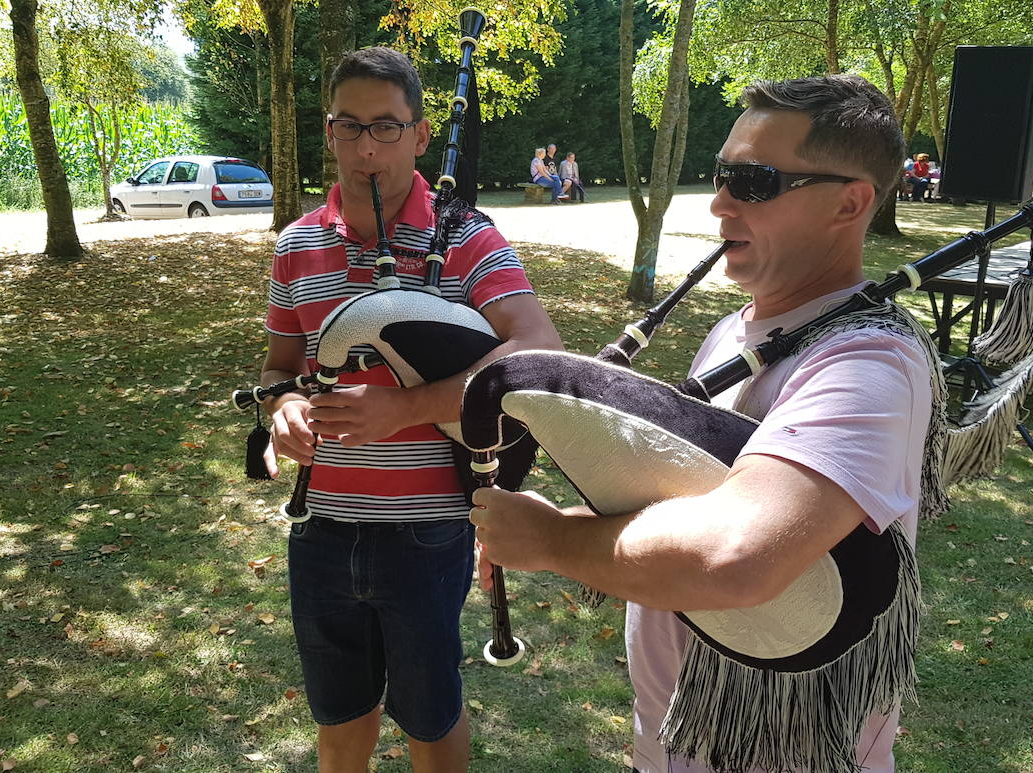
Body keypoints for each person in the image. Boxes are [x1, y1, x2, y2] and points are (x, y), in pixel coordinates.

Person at [470, 74, 946, 773]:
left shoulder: (870, 364)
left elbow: (734, 556)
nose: (720, 201)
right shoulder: (734, 329)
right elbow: (696, 501)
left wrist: (555, 539)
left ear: (850, 202)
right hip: (675, 744)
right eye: (724, 174)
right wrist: (570, 515)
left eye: (754, 181)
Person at [259, 46, 562, 773]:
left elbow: (538, 348)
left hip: (428, 532)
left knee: (430, 720)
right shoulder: (296, 246)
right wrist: (285, 407)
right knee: (340, 720)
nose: (367, 147)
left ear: (421, 135)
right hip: (321, 529)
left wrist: (405, 407)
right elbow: (277, 365)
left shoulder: (467, 238)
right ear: (327, 130)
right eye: (349, 125)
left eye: (387, 127)